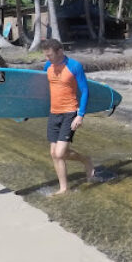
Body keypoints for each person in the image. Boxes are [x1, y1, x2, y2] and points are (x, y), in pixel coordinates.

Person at [41, 39, 95, 195]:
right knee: (54, 154)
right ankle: (63, 188)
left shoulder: (74, 66)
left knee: (59, 153)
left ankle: (86, 160)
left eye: (50, 55)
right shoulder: (48, 66)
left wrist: (80, 115)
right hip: (53, 112)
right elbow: (43, 91)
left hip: (70, 112)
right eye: (46, 55)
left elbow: (85, 91)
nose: (47, 58)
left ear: (60, 51)